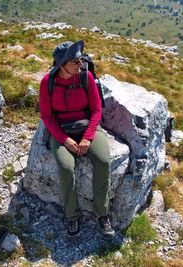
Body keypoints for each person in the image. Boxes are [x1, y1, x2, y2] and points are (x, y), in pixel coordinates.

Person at [39, 40, 115, 239]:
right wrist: (64, 139)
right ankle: (72, 216)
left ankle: (102, 214)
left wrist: (88, 138)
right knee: (66, 167)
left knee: (103, 161)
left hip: (87, 126)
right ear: (62, 65)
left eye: (81, 58)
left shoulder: (86, 77)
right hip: (62, 129)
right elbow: (47, 116)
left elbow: (97, 109)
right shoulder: (48, 82)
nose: (81, 63)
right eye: (75, 61)